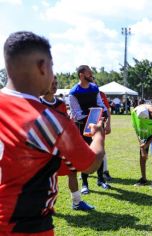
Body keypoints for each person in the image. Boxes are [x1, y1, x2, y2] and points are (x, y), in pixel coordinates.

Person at [0, 31, 105, 235]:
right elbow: (90, 163)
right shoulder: (48, 121)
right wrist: (98, 135)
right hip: (24, 227)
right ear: (42, 66)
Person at [40, 76, 94, 211]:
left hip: (62, 146)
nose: (54, 85)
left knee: (72, 171)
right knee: (44, 178)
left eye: (56, 83)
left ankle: (77, 202)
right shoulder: (37, 103)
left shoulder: (61, 104)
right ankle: (44, 206)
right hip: (45, 148)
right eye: (51, 83)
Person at [69, 65, 111, 194]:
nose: (91, 74)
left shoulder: (94, 88)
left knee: (100, 151)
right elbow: (76, 113)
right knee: (85, 153)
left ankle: (101, 179)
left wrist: (104, 113)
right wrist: (91, 116)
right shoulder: (74, 92)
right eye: (89, 73)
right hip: (83, 126)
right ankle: (85, 183)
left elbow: (100, 104)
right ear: (81, 74)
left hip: (98, 124)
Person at [131, 103, 152, 188]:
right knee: (142, 154)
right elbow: (137, 131)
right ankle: (143, 179)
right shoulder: (134, 113)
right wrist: (142, 148)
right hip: (143, 127)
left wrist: (147, 144)